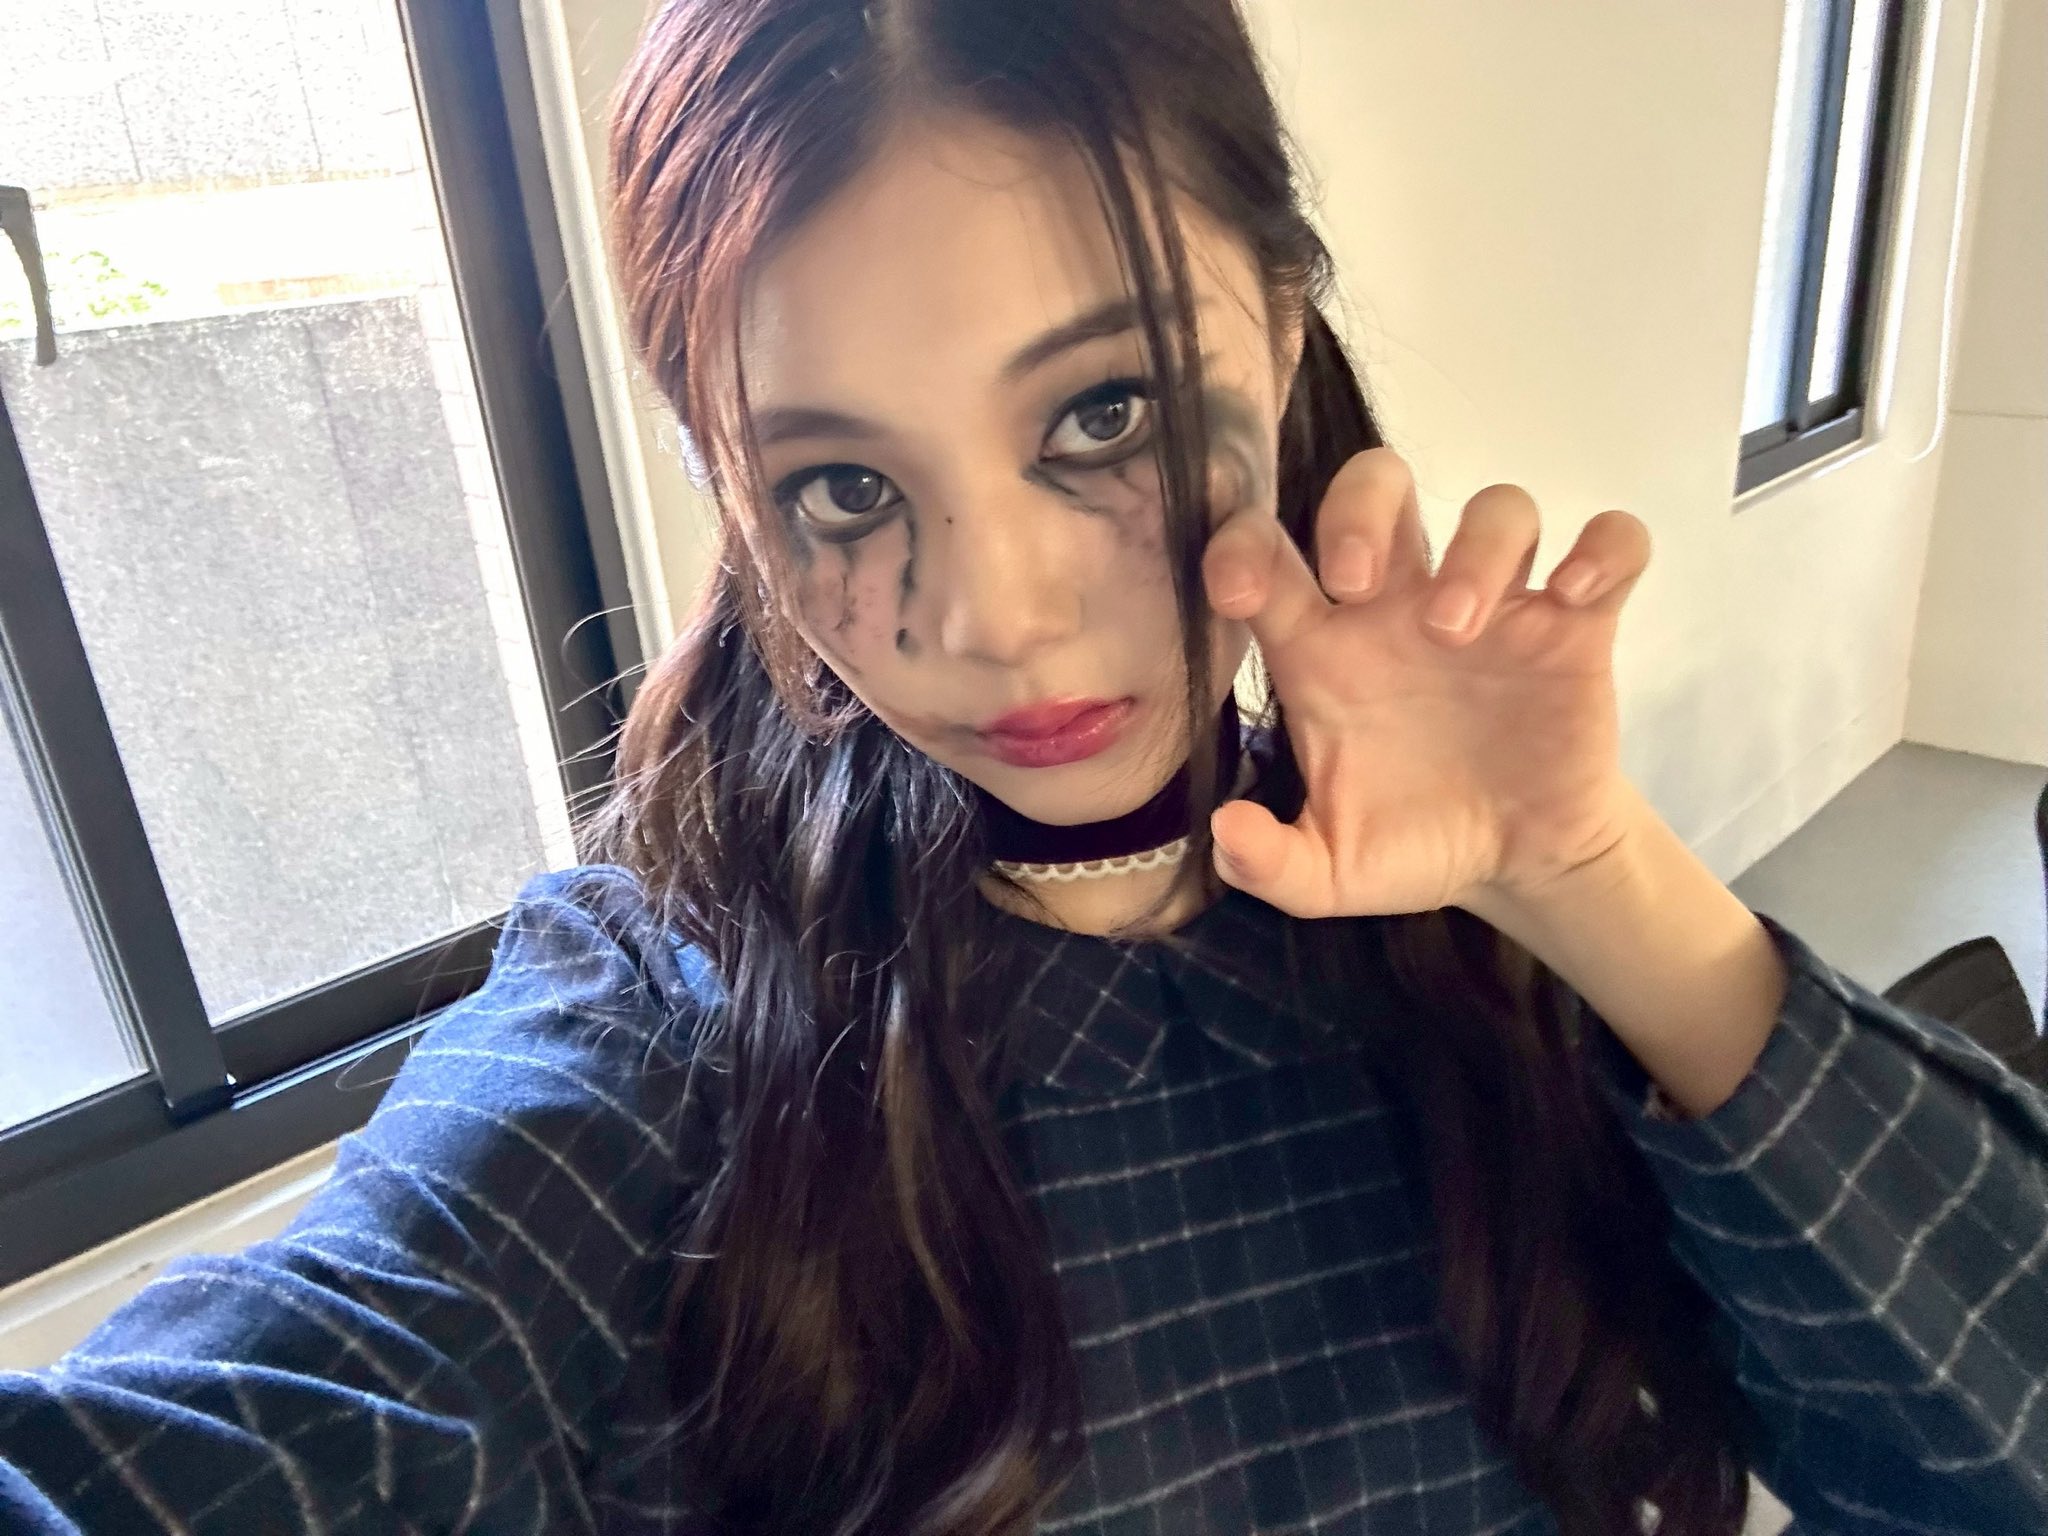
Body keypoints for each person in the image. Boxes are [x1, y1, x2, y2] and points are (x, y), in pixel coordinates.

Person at [3, 0, 2045, 1530]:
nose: (994, 619)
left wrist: (1594, 883)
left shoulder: (1502, 935)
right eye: (841, 485)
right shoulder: (651, 1026)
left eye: (1102, 417)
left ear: (1282, 322)